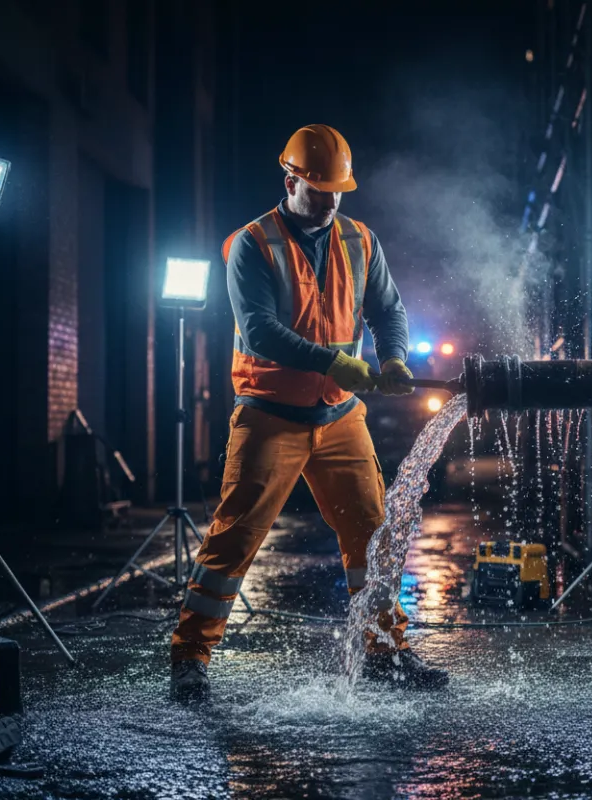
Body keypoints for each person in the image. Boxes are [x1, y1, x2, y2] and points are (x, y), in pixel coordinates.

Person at [169, 124, 449, 702]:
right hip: (269, 413)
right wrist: (336, 363)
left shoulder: (360, 240)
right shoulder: (251, 243)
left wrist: (392, 357)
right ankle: (190, 657)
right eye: (317, 189)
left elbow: (389, 311)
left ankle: (384, 651)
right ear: (290, 179)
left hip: (338, 415)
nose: (328, 201)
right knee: (235, 537)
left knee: (373, 538)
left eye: (337, 190)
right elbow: (261, 331)